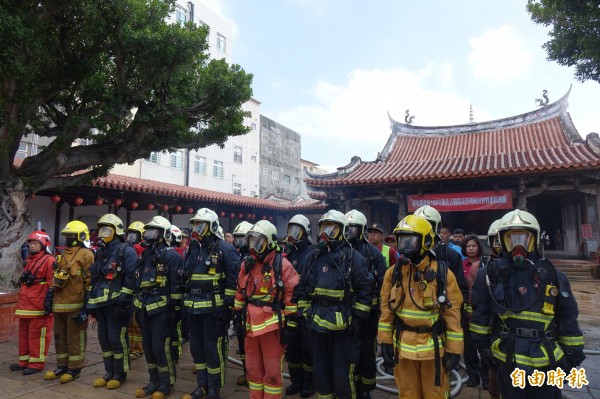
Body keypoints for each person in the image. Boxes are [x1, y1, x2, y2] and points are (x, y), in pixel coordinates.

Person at [470, 210, 585, 399]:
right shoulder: (490, 275)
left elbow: (567, 316)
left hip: (546, 359)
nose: (518, 246)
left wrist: (572, 353)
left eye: (524, 238)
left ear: (535, 239)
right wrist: (483, 348)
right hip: (507, 359)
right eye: (512, 239)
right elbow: (480, 315)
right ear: (502, 241)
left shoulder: (553, 275)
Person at [378, 215, 464, 399]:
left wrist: (454, 349)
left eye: (410, 241)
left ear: (425, 242)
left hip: (434, 351)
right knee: (408, 394)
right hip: (403, 349)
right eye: (401, 241)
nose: (404, 248)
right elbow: (386, 310)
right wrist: (384, 341)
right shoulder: (393, 274)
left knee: (436, 394)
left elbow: (453, 315)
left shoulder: (442, 274)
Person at [297, 210, 374, 399]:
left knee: (342, 376)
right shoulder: (313, 257)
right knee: (321, 374)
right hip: (316, 323)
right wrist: (305, 312)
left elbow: (366, 290)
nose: (326, 233)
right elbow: (302, 288)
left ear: (342, 231)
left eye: (332, 229)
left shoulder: (353, 258)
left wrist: (357, 320)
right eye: (324, 228)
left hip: (343, 327)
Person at [233, 220, 299, 399]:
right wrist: (237, 315)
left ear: (269, 242)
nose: (254, 247)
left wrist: (291, 324)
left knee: (271, 373)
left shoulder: (282, 266)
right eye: (252, 241)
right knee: (253, 370)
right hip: (250, 327)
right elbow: (240, 291)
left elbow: (291, 296)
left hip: (272, 328)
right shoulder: (247, 265)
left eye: (258, 242)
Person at [182, 208, 240, 399]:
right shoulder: (193, 248)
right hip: (193, 308)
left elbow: (233, 279)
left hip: (214, 310)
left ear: (212, 226)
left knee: (212, 349)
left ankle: (214, 388)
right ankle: (202, 385)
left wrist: (228, 307)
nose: (197, 229)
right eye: (195, 225)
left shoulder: (225, 249)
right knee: (196, 348)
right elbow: (187, 276)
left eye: (201, 225)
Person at [133, 216, 184, 399]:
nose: (149, 235)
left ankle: (166, 383)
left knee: (160, 347)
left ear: (164, 234)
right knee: (148, 346)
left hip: (162, 310)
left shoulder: (171, 256)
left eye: (154, 231)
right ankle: (153, 381)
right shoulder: (145, 254)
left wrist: (175, 311)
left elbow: (176, 286)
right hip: (145, 308)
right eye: (148, 231)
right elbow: (138, 281)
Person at [87, 214, 138, 389]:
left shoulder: (126, 251)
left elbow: (131, 278)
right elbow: (95, 278)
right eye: (101, 229)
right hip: (102, 304)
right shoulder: (100, 252)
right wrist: (91, 303)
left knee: (117, 340)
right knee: (104, 339)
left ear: (117, 231)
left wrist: (124, 302)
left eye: (107, 230)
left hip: (117, 304)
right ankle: (108, 371)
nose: (102, 233)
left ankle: (120, 374)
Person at [43, 221, 94, 383]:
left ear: (81, 236)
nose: (69, 239)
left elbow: (90, 280)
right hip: (59, 304)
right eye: (67, 236)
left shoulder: (86, 254)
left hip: (76, 304)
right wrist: (50, 296)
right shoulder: (62, 254)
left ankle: (75, 368)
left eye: (72, 236)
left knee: (75, 337)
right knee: (59, 336)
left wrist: (87, 304)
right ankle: (61, 366)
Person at [345, 210, 387, 399]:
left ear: (361, 229)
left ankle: (365, 388)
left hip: (368, 314)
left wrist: (372, 308)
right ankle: (350, 384)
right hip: (346, 312)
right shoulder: (341, 250)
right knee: (348, 352)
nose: (349, 233)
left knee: (367, 353)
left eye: (352, 229)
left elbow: (383, 284)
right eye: (346, 228)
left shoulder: (373, 254)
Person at [10, 231, 55, 375]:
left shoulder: (49, 261)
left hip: (39, 306)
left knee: (38, 335)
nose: (32, 246)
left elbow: (52, 284)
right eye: (30, 243)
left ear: (43, 245)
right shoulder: (30, 260)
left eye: (35, 243)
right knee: (24, 334)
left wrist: (49, 304)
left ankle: (36, 363)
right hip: (25, 305)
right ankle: (24, 361)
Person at [281, 214, 315, 398]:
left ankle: (309, 383)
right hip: (288, 308)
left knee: (306, 348)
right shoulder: (288, 253)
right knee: (291, 348)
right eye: (290, 230)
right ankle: (296, 381)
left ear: (305, 232)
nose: (292, 234)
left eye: (297, 230)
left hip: (305, 308)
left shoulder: (313, 251)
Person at [461, 235, 488, 389]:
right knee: (469, 347)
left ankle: (486, 378)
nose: (471, 248)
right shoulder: (460, 264)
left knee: (484, 347)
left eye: (474, 246)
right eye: (468, 246)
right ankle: (473, 376)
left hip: (482, 312)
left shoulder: (486, 264)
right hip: (466, 311)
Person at [231, 220, 254, 387]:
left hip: (251, 307)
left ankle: (253, 375)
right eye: (236, 239)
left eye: (242, 239)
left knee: (251, 343)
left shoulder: (254, 259)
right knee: (241, 342)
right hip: (240, 306)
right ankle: (246, 372)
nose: (239, 243)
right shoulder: (238, 257)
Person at [126, 221, 146, 361]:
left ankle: (137, 348)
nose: (131, 238)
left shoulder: (143, 250)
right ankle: (130, 346)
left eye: (135, 235)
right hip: (128, 289)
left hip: (138, 290)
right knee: (128, 323)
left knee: (136, 323)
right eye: (130, 235)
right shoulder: (126, 249)